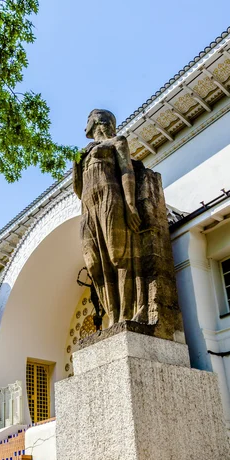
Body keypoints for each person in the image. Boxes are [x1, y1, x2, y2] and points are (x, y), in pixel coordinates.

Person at [73, 109, 145, 326]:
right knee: (94, 264)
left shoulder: (116, 142)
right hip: (88, 208)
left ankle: (126, 313)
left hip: (110, 198)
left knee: (117, 256)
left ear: (97, 120)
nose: (84, 125)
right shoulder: (80, 153)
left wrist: (130, 204)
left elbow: (127, 171)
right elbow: (77, 187)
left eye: (87, 119)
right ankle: (111, 315)